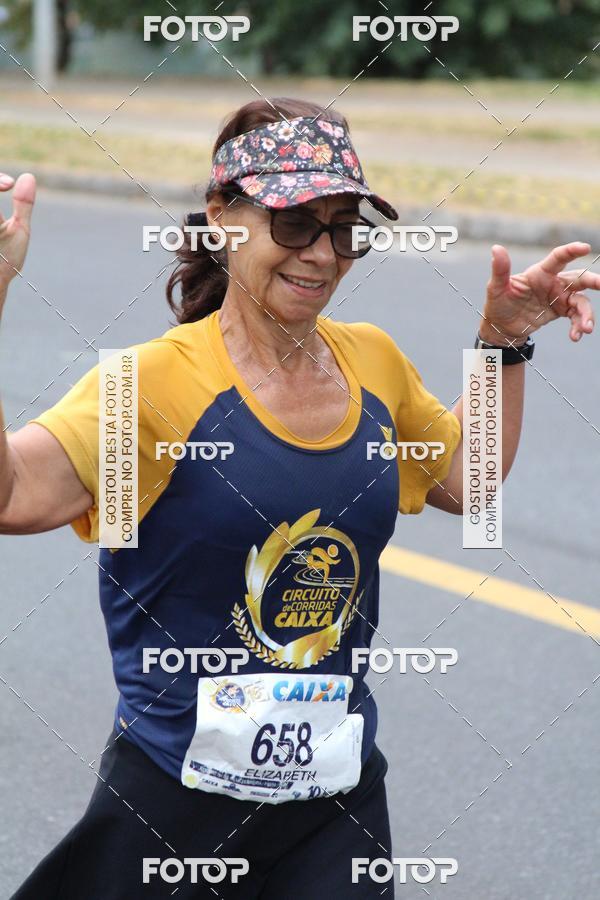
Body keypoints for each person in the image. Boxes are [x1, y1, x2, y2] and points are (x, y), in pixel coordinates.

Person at [0, 97, 596, 899]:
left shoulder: (372, 364)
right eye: (292, 224)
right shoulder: (150, 385)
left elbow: (466, 482)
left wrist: (503, 345)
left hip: (332, 803)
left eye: (343, 228)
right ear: (222, 216)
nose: (321, 254)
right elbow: (12, 498)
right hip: (177, 804)